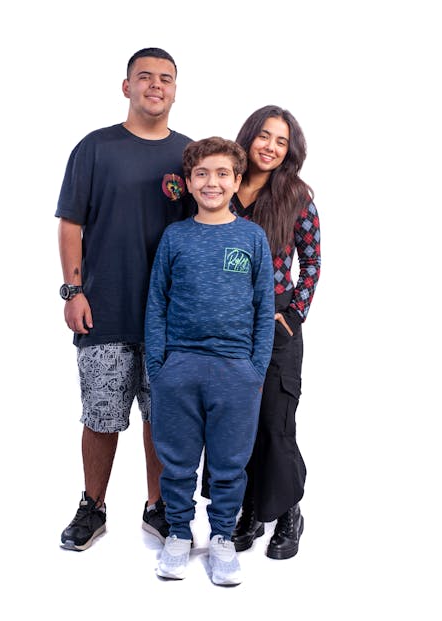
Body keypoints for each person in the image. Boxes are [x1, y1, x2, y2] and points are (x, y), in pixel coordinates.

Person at [55, 47, 193, 551]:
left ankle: (158, 506)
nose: (156, 85)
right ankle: (93, 505)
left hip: (172, 317)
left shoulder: (191, 156)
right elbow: (71, 223)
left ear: (175, 90)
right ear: (126, 86)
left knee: (164, 417)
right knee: (101, 415)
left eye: (166, 78)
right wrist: (74, 290)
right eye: (145, 77)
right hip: (105, 308)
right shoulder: (95, 148)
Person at [145, 137, 275, 585]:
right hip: (179, 366)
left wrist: (255, 367)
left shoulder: (251, 238)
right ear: (188, 182)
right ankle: (178, 534)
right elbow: (156, 304)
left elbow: (263, 307)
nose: (212, 182)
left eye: (222, 174)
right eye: (202, 173)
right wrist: (159, 369)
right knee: (177, 461)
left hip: (236, 369)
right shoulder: (175, 236)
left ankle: (221, 538)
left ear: (237, 181)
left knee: (229, 463)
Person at [205, 105, 321, 560]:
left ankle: (288, 511)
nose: (271, 147)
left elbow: (311, 262)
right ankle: (249, 510)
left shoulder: (296, 196)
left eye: (282, 141)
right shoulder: (223, 188)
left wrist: (293, 314)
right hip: (224, 323)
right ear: (249, 136)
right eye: (265, 136)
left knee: (275, 423)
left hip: (276, 322)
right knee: (236, 425)